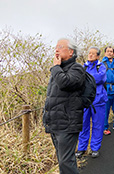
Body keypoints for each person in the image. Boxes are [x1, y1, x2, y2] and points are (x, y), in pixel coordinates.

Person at [43, 39, 85, 174]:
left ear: (71, 52)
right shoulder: (60, 69)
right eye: (55, 47)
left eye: (60, 47)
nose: (56, 50)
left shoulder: (76, 68)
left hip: (67, 122)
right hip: (56, 122)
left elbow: (65, 83)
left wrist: (55, 67)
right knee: (63, 160)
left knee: (66, 161)